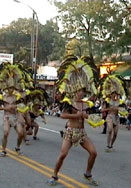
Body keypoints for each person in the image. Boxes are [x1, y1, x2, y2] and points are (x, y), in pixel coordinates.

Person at [47, 56, 99, 186]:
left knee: (93, 153)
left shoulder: (87, 104)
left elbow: (93, 117)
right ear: (75, 91)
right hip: (70, 132)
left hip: (82, 133)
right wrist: (76, 116)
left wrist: (89, 117)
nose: (81, 93)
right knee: (63, 154)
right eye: (79, 91)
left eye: (82, 91)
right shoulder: (69, 103)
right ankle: (54, 175)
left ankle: (88, 173)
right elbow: (63, 116)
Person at [102, 75, 126, 152]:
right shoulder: (107, 101)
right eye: (112, 93)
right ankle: (108, 145)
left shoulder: (119, 102)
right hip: (109, 116)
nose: (114, 95)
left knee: (115, 133)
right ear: (110, 94)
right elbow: (103, 110)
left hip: (116, 117)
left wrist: (120, 109)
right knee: (109, 130)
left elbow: (123, 110)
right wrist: (110, 108)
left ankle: (111, 145)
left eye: (115, 93)